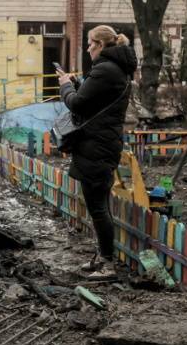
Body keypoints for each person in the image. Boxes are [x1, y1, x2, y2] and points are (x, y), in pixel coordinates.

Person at [57, 25, 135, 279]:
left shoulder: (105, 69)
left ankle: (108, 264)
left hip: (97, 146)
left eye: (90, 43)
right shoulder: (115, 70)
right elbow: (95, 99)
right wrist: (78, 83)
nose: (88, 47)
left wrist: (66, 87)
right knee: (98, 205)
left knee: (98, 207)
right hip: (102, 144)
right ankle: (103, 257)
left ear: (101, 45)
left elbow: (78, 103)